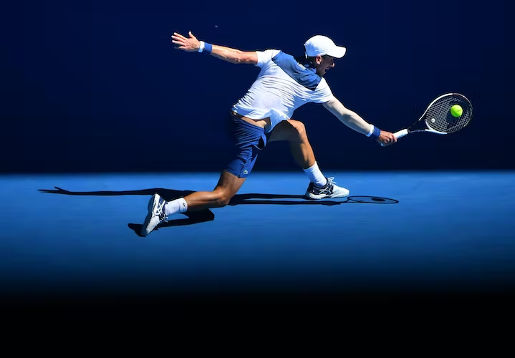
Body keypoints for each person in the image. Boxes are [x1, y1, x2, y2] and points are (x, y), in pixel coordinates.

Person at [140, 31, 397, 236]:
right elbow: (345, 114)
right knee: (222, 197)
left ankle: (320, 187)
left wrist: (201, 46)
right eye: (331, 59)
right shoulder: (318, 85)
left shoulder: (277, 56)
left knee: (297, 128)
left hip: (233, 119)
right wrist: (375, 133)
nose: (333, 64)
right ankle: (166, 208)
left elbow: (239, 56)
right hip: (250, 132)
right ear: (318, 59)